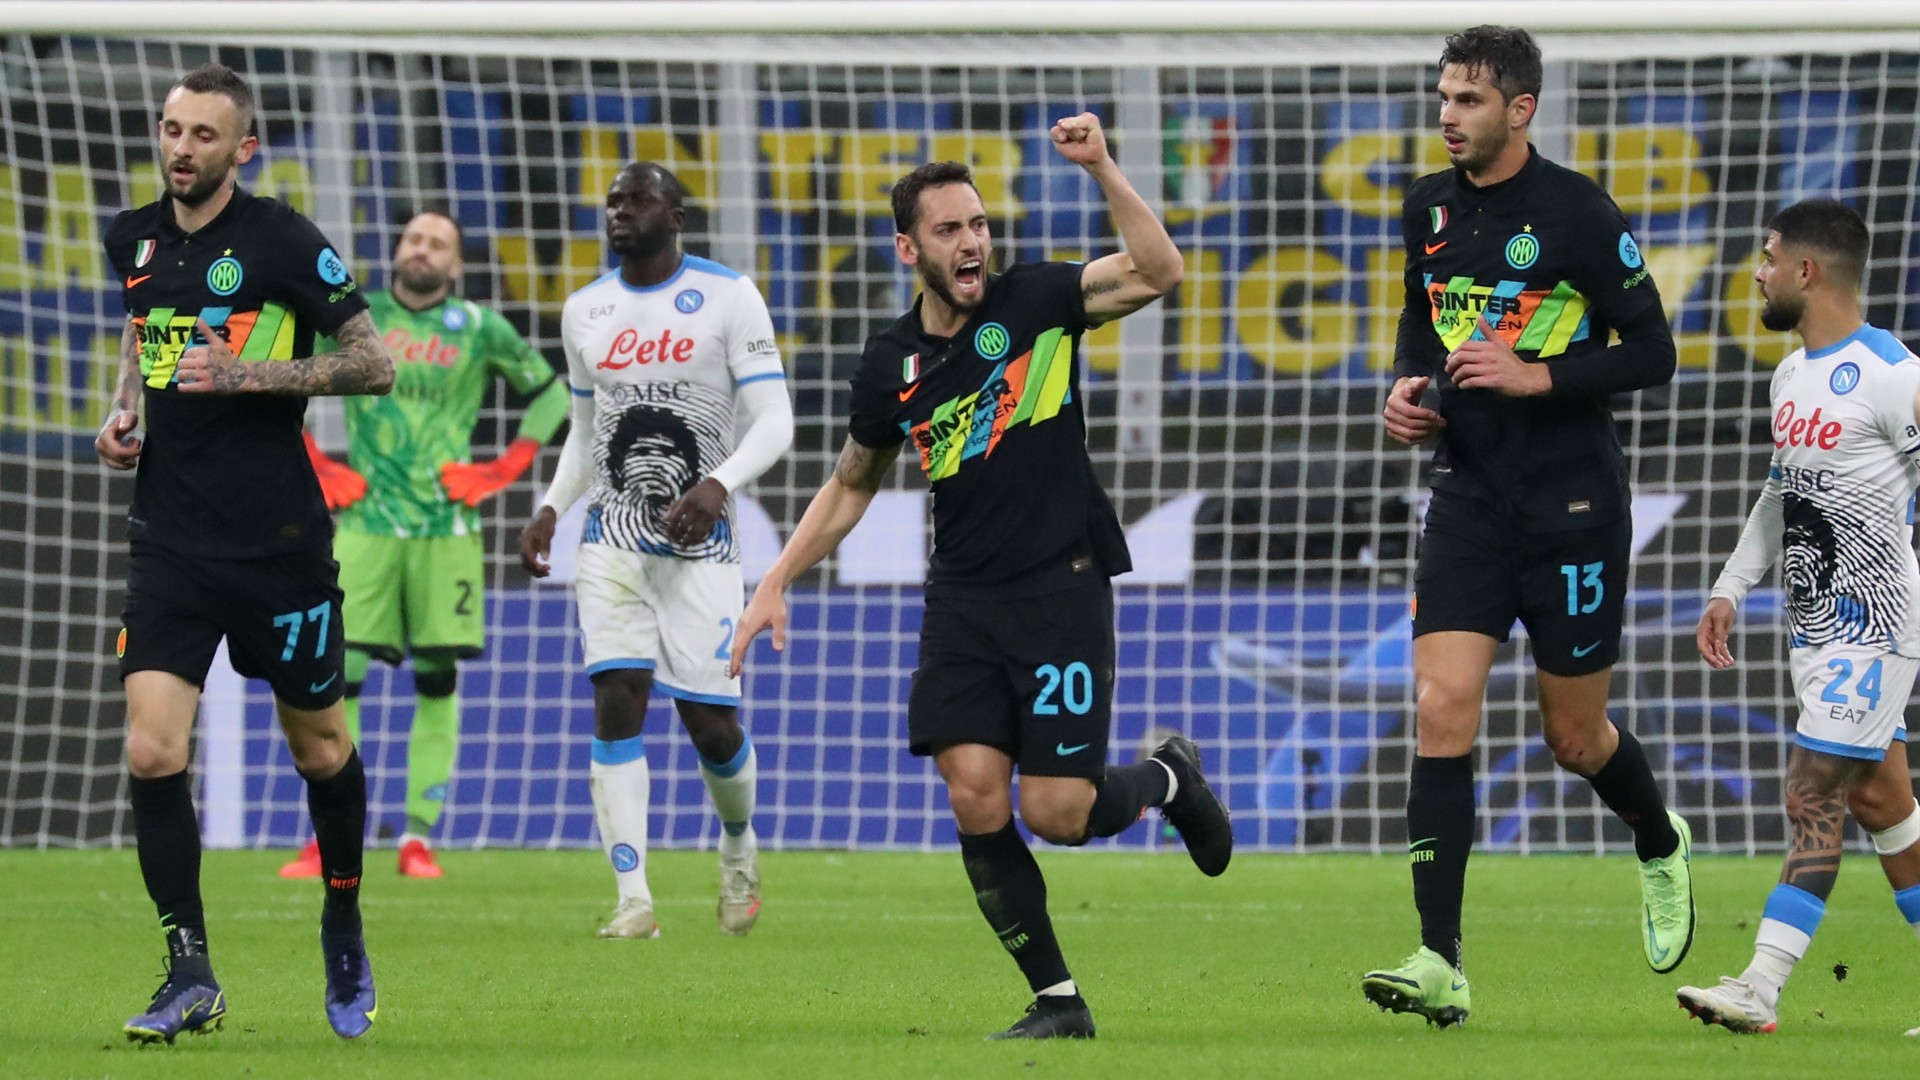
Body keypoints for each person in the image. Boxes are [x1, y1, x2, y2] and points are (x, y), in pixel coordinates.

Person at [730, 115, 1232, 1042]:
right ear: (908, 247)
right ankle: (1057, 1000)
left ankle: (1168, 780)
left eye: (979, 224)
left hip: (1062, 587)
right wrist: (775, 582)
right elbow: (851, 484)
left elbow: (1161, 272)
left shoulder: (1039, 300)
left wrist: (1104, 169)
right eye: (951, 229)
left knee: (1060, 812)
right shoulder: (890, 364)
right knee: (971, 791)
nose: (972, 242)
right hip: (961, 600)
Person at [1364, 25, 1693, 1027]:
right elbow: (1423, 324)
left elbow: (1655, 353)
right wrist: (1405, 391)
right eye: (1443, 97)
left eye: (1468, 100)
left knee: (1574, 735)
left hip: (1574, 510)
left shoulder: (1580, 216)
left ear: (1521, 109)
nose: (1448, 116)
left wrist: (1536, 373)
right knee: (1440, 706)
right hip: (1467, 498)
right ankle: (1439, 958)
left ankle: (1658, 838)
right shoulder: (1426, 207)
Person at [96, 63, 393, 1042]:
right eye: (172, 131)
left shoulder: (282, 241)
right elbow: (145, 329)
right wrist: (125, 409)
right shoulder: (131, 237)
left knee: (320, 750)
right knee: (151, 746)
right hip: (170, 538)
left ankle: (342, 919)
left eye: (203, 136)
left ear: (241, 148)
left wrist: (254, 372)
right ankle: (189, 970)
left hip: (279, 543)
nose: (182, 149)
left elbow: (371, 362)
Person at [519, 162, 794, 940]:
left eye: (636, 199)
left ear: (676, 214)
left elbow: (775, 419)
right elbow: (586, 427)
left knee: (711, 725)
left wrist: (719, 483)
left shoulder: (729, 295)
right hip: (611, 540)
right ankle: (634, 898)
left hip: (703, 546)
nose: (618, 211)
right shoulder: (585, 311)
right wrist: (549, 507)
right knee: (617, 698)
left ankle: (738, 845)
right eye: (611, 201)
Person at [1679, 199, 1920, 1034]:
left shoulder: (1895, 374)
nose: (1759, 270)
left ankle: (1760, 985)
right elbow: (1782, 497)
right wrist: (1730, 586)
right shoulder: (1792, 376)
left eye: (1770, 256)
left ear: (1807, 272)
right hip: (1813, 629)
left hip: (1877, 628)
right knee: (1885, 803)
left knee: (1811, 790)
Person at [280, 210, 569, 880]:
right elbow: (280, 372)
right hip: (366, 527)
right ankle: (327, 839)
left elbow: (552, 396)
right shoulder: (358, 315)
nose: (423, 249)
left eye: (439, 242)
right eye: (414, 237)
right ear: (398, 249)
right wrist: (320, 464)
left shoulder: (481, 328)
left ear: (456, 264)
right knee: (335, 679)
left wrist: (501, 469)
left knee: (436, 680)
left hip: (446, 531)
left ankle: (416, 837)